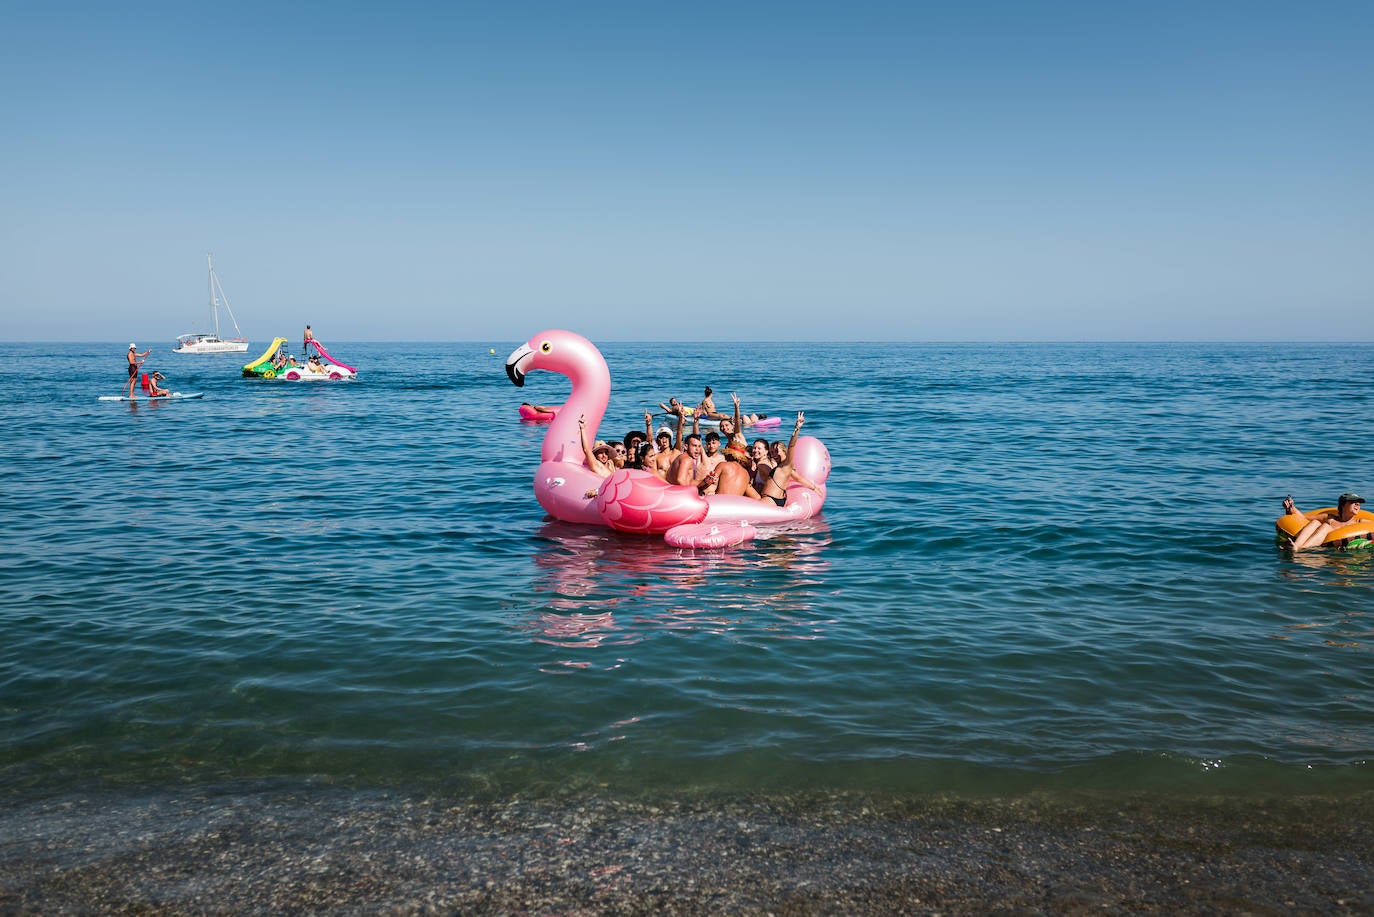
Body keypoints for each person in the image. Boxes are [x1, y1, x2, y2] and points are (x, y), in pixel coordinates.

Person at [757, 413, 822, 506]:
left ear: (784, 451)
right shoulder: (785, 468)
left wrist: (797, 428)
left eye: (776, 451)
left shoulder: (787, 463)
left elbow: (791, 445)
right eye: (772, 452)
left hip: (771, 499)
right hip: (773, 499)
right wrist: (814, 488)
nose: (774, 454)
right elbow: (799, 479)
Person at [1280, 493, 1369, 550]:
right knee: (1316, 522)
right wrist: (1291, 507)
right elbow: (1303, 518)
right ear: (1343, 505)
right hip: (1319, 549)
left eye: (1359, 503)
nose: (1358, 504)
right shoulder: (1330, 518)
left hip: (1335, 556)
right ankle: (1296, 545)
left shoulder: (1359, 522)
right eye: (1354, 502)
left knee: (1326, 526)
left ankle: (1299, 548)